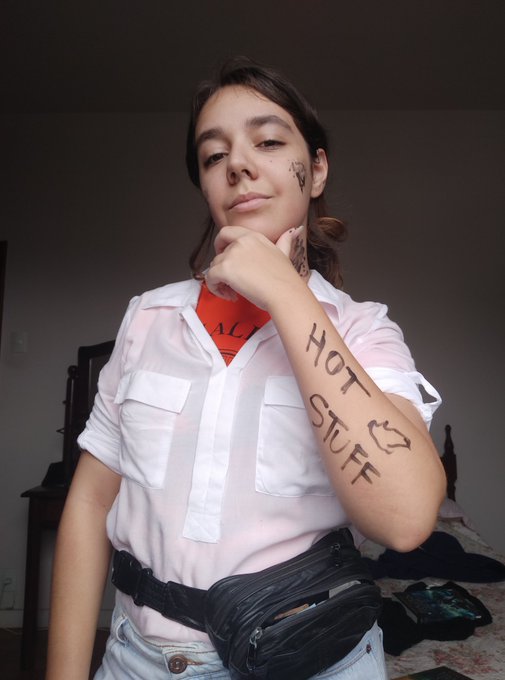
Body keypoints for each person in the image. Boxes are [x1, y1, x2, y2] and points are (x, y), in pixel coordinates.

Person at [46, 57, 446, 680]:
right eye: (214, 155)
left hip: (315, 660)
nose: (237, 164)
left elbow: (406, 519)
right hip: (141, 661)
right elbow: (92, 500)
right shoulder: (149, 318)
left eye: (268, 141)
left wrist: (285, 292)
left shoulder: (364, 330)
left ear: (316, 169)